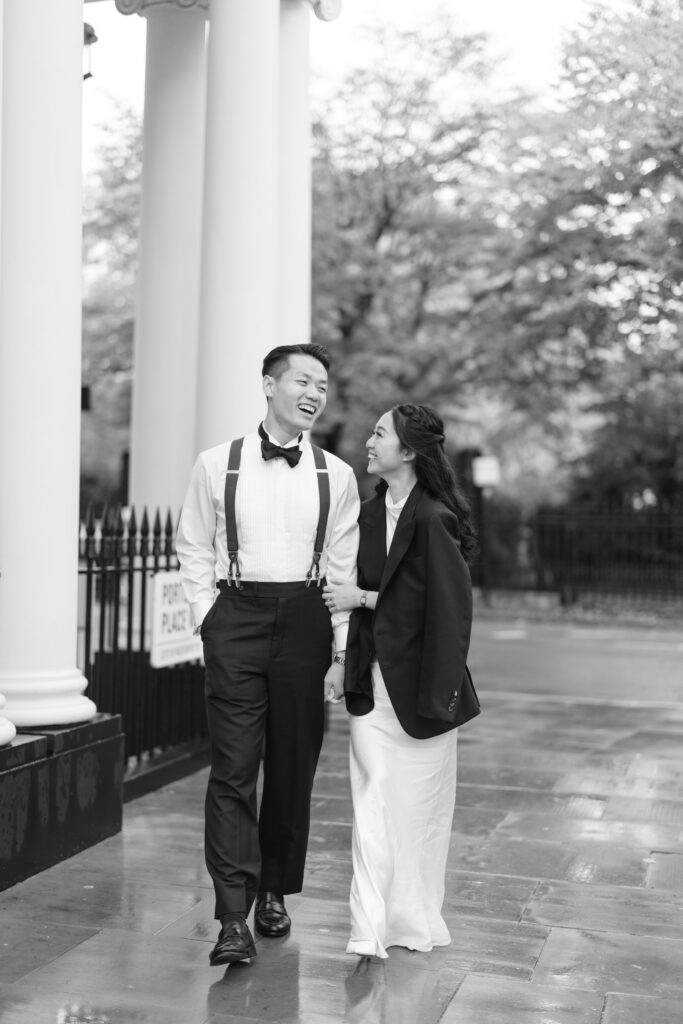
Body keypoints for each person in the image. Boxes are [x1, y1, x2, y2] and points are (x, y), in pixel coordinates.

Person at [176, 343, 360, 966]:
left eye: (323, 386)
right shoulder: (214, 464)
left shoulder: (337, 475)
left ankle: (274, 889)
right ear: (268, 385)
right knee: (232, 768)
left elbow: (341, 569)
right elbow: (193, 548)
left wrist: (340, 652)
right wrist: (209, 620)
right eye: (303, 381)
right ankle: (232, 916)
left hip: (307, 622)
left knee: (291, 768)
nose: (315, 394)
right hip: (236, 619)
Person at [322, 403, 480, 959]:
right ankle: (367, 927)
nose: (368, 440)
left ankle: (410, 921)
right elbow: (352, 600)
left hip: (422, 691)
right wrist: (341, 662)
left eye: (380, 433)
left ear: (408, 451)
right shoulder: (366, 515)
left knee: (419, 815)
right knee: (371, 801)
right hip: (370, 685)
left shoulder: (435, 518)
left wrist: (364, 597)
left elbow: (447, 611)